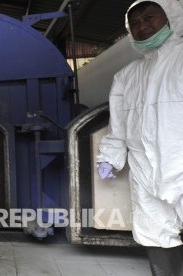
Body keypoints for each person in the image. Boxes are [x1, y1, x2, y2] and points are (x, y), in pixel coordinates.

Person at [96, 0, 183, 275]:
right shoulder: (127, 76)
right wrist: (108, 158)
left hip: (179, 159)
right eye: (134, 23)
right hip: (144, 166)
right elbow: (118, 127)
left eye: (149, 18)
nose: (142, 27)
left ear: (170, 17)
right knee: (154, 227)